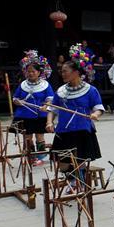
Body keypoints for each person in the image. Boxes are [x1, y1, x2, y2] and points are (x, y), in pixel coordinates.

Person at [45, 46, 104, 184]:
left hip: (82, 130)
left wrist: (95, 114)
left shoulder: (90, 90)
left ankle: (80, 186)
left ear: (76, 72)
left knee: (80, 160)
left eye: (65, 71)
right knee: (63, 163)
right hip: (63, 130)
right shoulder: (60, 90)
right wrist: (49, 122)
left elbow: (98, 107)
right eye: (62, 71)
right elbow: (52, 109)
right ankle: (72, 181)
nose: (63, 74)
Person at [11, 50, 55, 166]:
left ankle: (40, 157)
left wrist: (46, 105)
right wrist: (17, 101)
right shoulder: (23, 84)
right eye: (28, 71)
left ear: (39, 72)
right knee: (27, 136)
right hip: (24, 114)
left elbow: (50, 99)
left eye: (33, 71)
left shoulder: (45, 85)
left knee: (40, 135)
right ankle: (30, 156)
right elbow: (15, 98)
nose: (30, 73)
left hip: (40, 114)